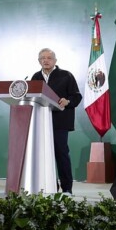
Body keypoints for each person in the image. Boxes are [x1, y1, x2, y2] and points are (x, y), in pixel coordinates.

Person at [31, 48, 82, 194]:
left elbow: (77, 97)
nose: (46, 60)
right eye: (43, 58)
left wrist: (67, 101)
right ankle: (49, 187)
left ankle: (67, 189)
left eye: (49, 58)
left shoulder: (66, 75)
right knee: (43, 155)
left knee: (61, 154)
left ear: (55, 60)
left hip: (60, 122)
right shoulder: (35, 77)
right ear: (39, 61)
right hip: (40, 122)